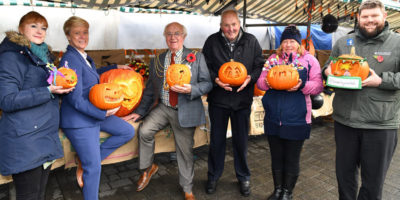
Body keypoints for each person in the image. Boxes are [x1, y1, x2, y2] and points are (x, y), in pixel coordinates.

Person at [123, 22, 212, 200]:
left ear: (184, 36)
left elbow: (207, 83)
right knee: (144, 131)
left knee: (184, 150)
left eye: (177, 33)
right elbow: (149, 90)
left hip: (185, 108)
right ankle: (148, 168)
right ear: (165, 37)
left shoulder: (196, 57)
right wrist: (139, 112)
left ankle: (187, 188)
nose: (173, 37)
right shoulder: (157, 59)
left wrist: (191, 90)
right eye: (169, 34)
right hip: (163, 107)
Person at [322, 1, 400, 199]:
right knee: (344, 177)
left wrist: (381, 81)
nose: (370, 20)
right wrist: (327, 72)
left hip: (380, 123)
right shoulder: (343, 43)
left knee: (372, 182)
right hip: (345, 120)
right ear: (358, 18)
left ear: (384, 17)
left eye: (374, 16)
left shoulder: (397, 43)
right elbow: (329, 67)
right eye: (365, 17)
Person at [59, 16, 134, 200]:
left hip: (93, 112)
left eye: (85, 32)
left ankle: (84, 161)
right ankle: (88, 166)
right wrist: (101, 113)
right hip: (79, 119)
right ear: (68, 36)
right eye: (77, 33)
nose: (82, 36)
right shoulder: (70, 59)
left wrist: (116, 67)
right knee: (94, 168)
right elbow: (75, 99)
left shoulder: (83, 57)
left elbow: (91, 75)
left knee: (126, 131)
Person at [0, 11, 73, 200]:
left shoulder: (43, 57)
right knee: (30, 195)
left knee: (39, 193)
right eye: (34, 26)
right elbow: (7, 100)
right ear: (20, 29)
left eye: (43, 28)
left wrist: (62, 88)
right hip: (25, 140)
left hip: (43, 136)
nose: (40, 31)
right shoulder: (11, 57)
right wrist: (48, 91)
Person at [202, 9, 264, 196]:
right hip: (219, 100)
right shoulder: (212, 41)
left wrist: (250, 78)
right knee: (217, 141)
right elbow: (204, 66)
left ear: (239, 24)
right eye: (226, 25)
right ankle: (213, 176)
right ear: (221, 26)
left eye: (234, 25)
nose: (231, 29)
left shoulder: (251, 40)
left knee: (241, 142)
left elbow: (259, 64)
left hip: (242, 101)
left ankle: (243, 177)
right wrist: (215, 79)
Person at [257, 25, 324, 200]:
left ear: (298, 43)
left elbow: (318, 86)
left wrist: (301, 85)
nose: (288, 45)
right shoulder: (273, 59)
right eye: (285, 41)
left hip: (297, 119)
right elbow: (260, 83)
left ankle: (288, 192)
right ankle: (278, 189)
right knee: (276, 157)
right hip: (273, 118)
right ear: (281, 43)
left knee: (292, 158)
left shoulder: (309, 60)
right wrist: (268, 83)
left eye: (292, 41)